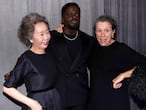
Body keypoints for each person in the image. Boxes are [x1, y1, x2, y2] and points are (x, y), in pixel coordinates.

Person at [2, 13, 61, 110]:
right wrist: (31, 103)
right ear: (30, 38)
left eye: (47, 32)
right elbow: (7, 88)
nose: (46, 37)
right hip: (38, 104)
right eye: (41, 34)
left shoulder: (50, 53)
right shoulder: (26, 59)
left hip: (54, 101)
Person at [87, 15, 146, 110]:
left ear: (113, 32)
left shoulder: (121, 49)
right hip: (95, 103)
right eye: (99, 30)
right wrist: (58, 31)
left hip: (115, 103)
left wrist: (123, 75)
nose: (102, 35)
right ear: (95, 32)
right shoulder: (92, 47)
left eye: (106, 31)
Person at [48, 2, 95, 110]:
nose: (75, 17)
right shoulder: (52, 38)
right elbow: (36, 55)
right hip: (58, 96)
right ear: (62, 18)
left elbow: (97, 64)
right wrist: (17, 72)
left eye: (77, 14)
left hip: (80, 98)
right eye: (70, 14)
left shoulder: (88, 40)